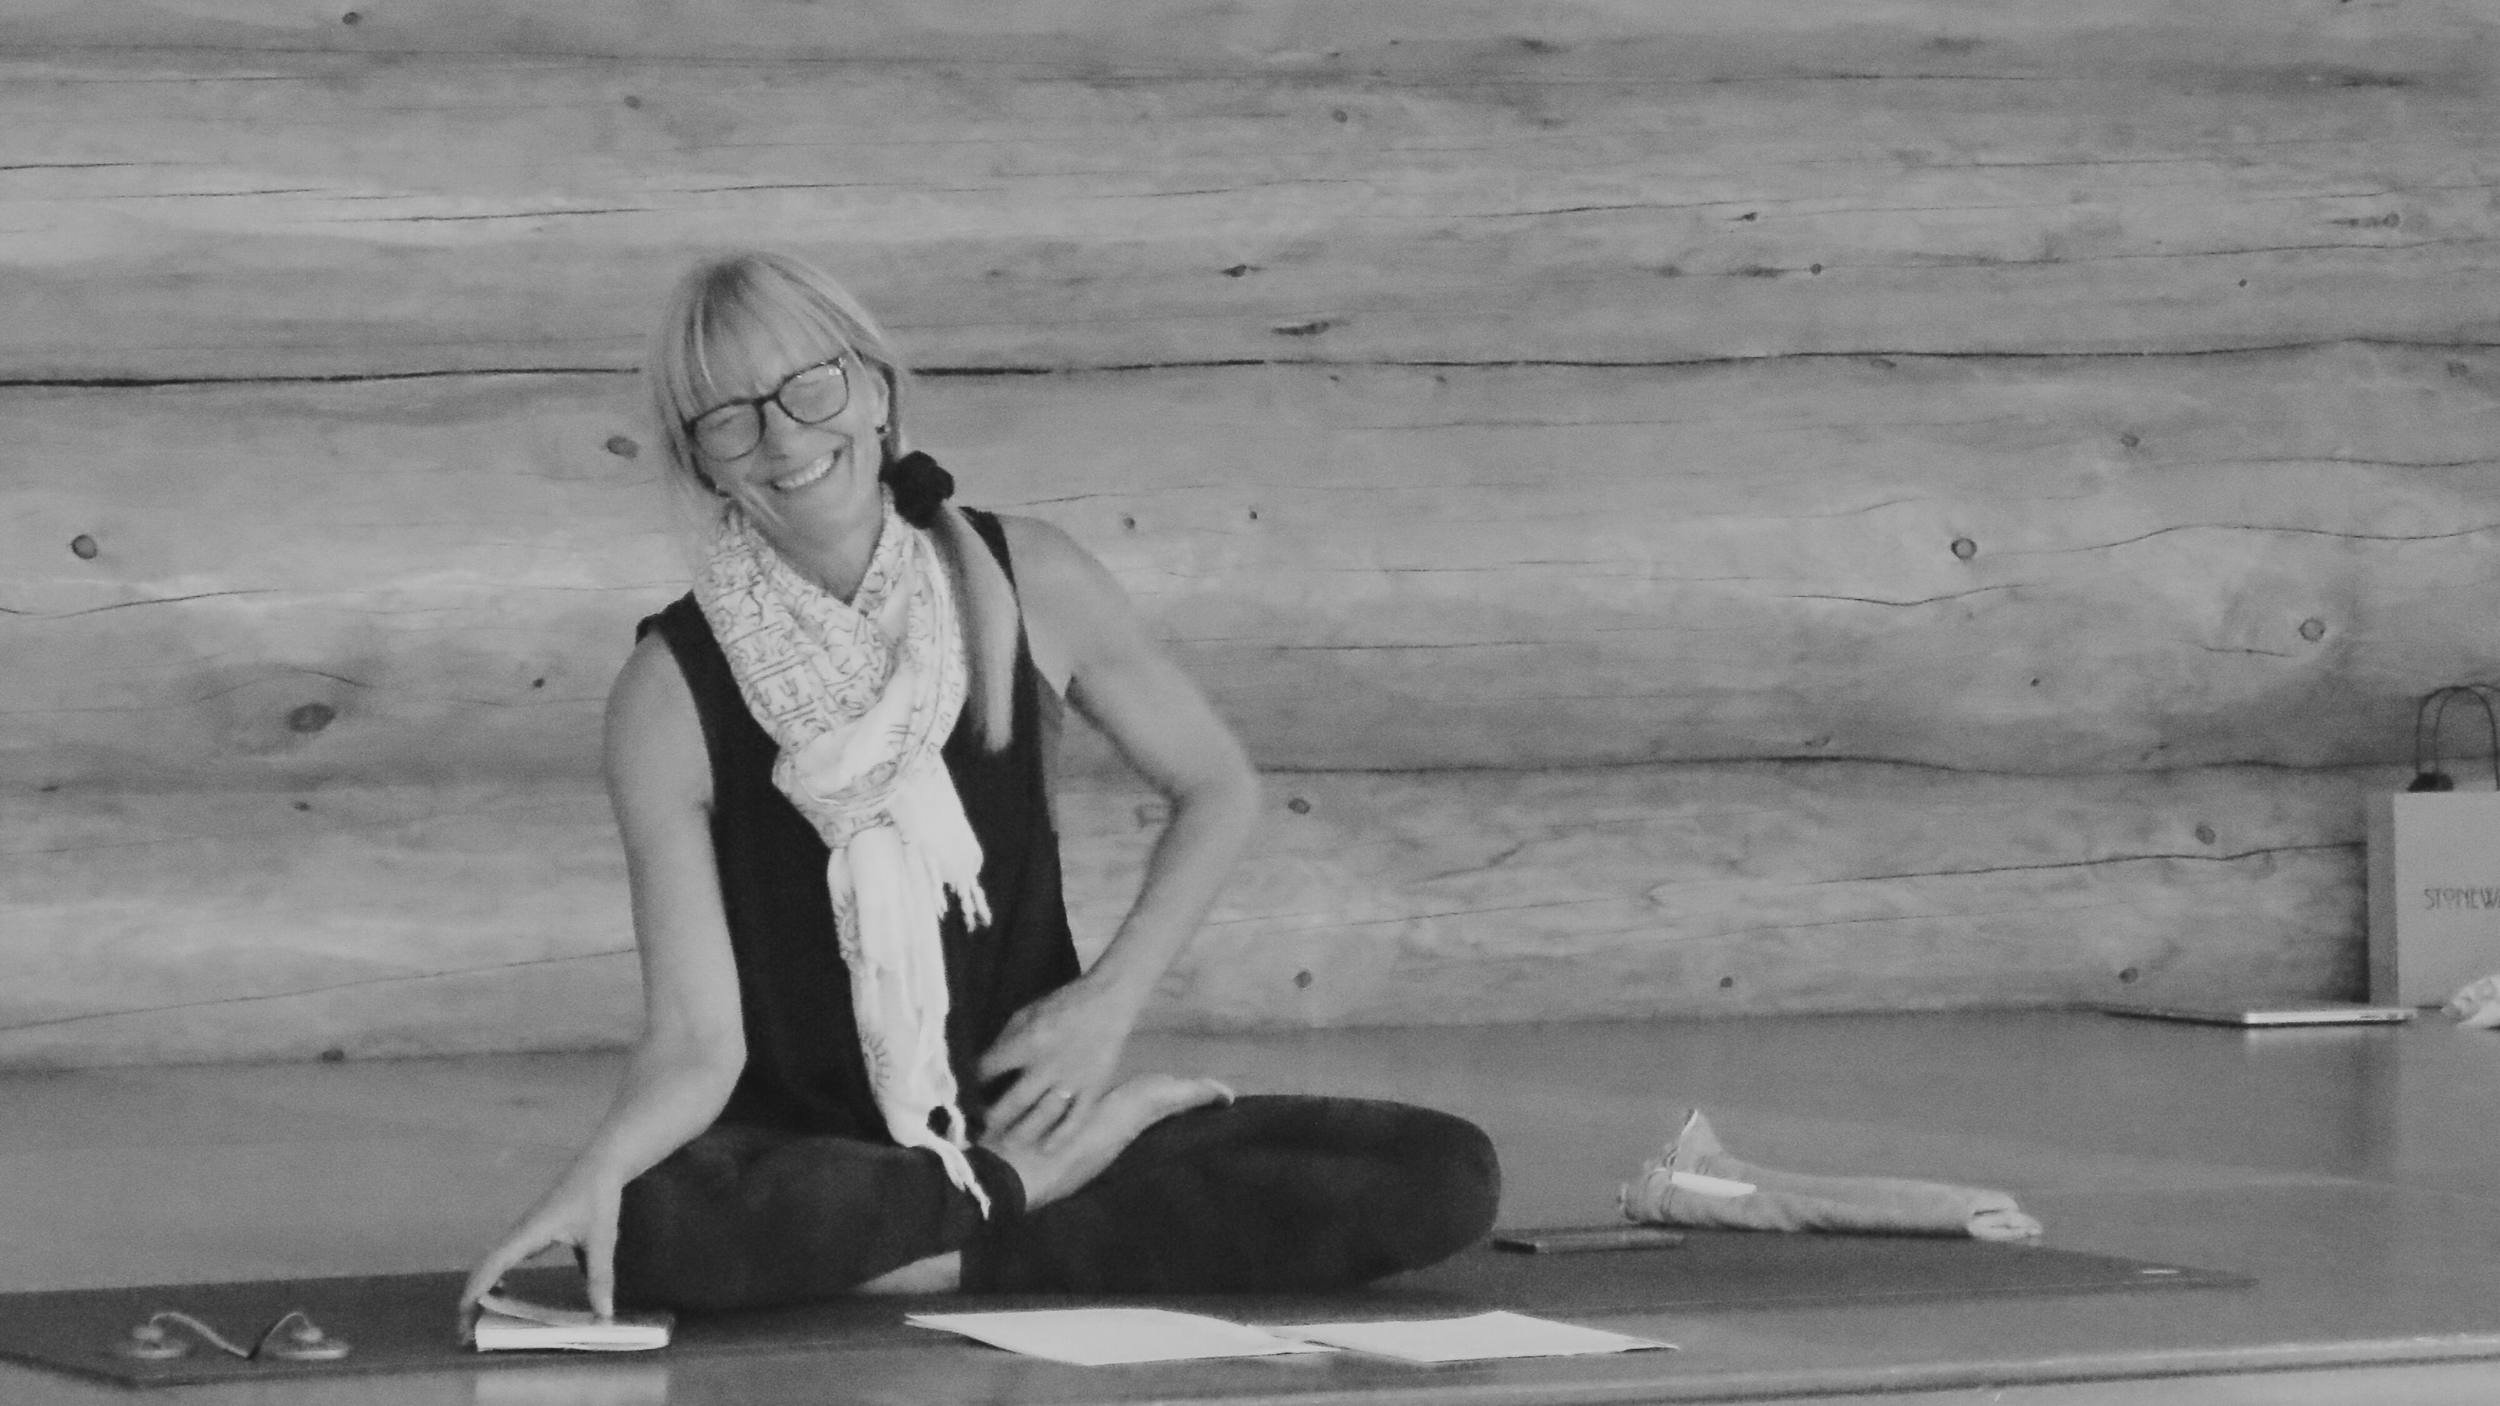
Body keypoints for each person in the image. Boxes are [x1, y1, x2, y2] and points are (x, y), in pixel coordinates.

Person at [459, 252, 1499, 1323]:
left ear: (876, 390)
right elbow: (695, 1043)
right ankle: (1014, 1209)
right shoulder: (666, 692)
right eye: (729, 419)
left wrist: (1107, 1002)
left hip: (1030, 1105)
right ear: (701, 462)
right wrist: (593, 1179)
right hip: (817, 1155)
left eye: (809, 386)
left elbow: (1217, 783)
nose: (782, 438)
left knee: (1439, 1169)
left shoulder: (1028, 579)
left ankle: (948, 1240)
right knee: (663, 1228)